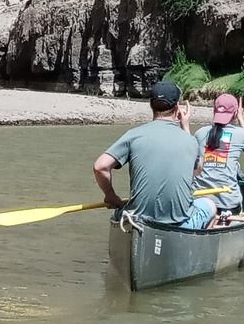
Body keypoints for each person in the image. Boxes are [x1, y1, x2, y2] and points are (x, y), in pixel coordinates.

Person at [92, 80, 218, 230]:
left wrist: (110, 195)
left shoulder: (133, 135)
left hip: (137, 219)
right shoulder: (190, 141)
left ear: (151, 105)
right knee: (210, 205)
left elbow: (100, 167)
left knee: (122, 212)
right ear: (177, 107)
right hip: (177, 223)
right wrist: (185, 126)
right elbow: (197, 171)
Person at [191, 92, 244, 223]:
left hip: (200, 200)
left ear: (214, 111)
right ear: (235, 113)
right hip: (228, 204)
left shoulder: (200, 133)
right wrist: (241, 118)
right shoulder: (242, 134)